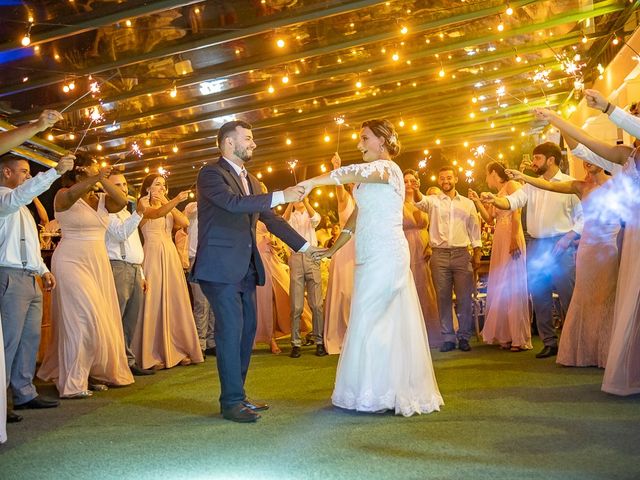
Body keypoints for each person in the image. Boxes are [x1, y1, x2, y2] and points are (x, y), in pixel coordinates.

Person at [299, 118, 443, 416]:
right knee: (377, 320)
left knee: (371, 318)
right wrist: (333, 250)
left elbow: (348, 172)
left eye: (364, 138)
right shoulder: (370, 178)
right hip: (369, 255)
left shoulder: (388, 169)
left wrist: (313, 182)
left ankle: (380, 393)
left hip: (387, 254)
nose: (359, 144)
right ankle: (379, 391)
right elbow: (356, 218)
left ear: (383, 140)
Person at [190, 120, 316, 423]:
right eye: (248, 138)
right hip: (219, 268)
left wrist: (306, 248)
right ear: (228, 143)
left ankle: (239, 396)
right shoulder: (210, 174)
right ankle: (231, 402)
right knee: (231, 331)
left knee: (246, 333)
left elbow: (270, 220)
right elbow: (233, 204)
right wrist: (283, 195)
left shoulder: (254, 181)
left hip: (246, 268)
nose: (254, 143)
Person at [535, 95, 639, 393]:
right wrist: (556, 119)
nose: (634, 119)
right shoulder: (626, 156)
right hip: (633, 235)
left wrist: (608, 108)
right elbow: (586, 145)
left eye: (636, 114)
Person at [506, 156, 618, 367]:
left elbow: (586, 217)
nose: (586, 162)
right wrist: (523, 177)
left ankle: (602, 345)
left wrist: (569, 237)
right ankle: (558, 343)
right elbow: (545, 186)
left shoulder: (613, 184)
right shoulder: (578, 185)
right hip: (561, 246)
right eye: (584, 159)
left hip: (596, 245)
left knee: (580, 294)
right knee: (547, 295)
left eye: (591, 157)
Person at [38, 155, 134, 398]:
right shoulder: (63, 194)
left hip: (97, 262)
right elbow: (70, 197)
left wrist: (103, 181)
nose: (98, 169)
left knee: (98, 320)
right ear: (80, 171)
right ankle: (72, 382)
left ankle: (89, 373)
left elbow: (122, 201)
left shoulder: (101, 199)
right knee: (82, 318)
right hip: (71, 260)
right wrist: (94, 178)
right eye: (93, 166)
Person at [480, 142, 583, 359]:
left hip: (561, 245)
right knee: (540, 296)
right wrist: (495, 200)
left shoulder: (570, 184)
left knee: (568, 295)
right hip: (536, 244)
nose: (533, 163)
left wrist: (569, 237)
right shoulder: (531, 185)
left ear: (550, 160)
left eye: (537, 159)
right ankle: (549, 342)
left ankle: (573, 341)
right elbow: (514, 200)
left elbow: (583, 216)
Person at [0, 109, 64, 434]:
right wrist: (53, 173)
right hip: (8, 276)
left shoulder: (21, 207)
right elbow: (19, 197)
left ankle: (24, 392)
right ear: (6, 172)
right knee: (7, 342)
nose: (27, 176)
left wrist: (42, 269)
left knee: (30, 338)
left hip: (29, 275)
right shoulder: (4, 199)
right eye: (23, 171)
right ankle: (3, 401)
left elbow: (28, 245)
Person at [134, 174, 203, 370]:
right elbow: (153, 215)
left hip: (170, 253)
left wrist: (167, 201)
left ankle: (177, 348)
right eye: (157, 184)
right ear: (147, 187)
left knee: (175, 300)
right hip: (153, 252)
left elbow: (184, 222)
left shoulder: (167, 204)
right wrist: (172, 201)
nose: (161, 188)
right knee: (154, 300)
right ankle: (152, 353)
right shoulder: (142, 202)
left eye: (164, 185)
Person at [410, 166, 482, 353]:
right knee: (443, 298)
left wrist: (477, 252)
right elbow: (420, 201)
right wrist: (417, 188)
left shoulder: (467, 203)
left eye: (449, 177)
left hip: (461, 253)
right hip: (439, 255)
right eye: (442, 178)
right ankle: (448, 337)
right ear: (439, 181)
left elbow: (475, 229)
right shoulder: (433, 201)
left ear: (455, 179)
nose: (445, 181)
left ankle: (464, 336)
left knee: (464, 298)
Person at [468, 162, 531, 352]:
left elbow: (516, 213)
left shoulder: (512, 186)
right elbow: (489, 218)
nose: (486, 179)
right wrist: (477, 201)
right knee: (501, 285)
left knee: (513, 285)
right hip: (499, 237)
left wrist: (514, 239)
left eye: (486, 175)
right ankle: (505, 335)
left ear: (493, 172)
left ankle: (518, 338)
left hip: (511, 234)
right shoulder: (499, 192)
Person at [104, 173, 154, 376]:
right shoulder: (107, 212)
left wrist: (141, 272)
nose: (123, 188)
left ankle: (128, 361)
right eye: (117, 185)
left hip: (133, 268)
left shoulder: (127, 213)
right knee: (117, 317)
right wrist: (139, 214)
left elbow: (134, 245)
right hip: (117, 267)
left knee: (131, 319)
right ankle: (115, 362)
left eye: (124, 184)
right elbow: (120, 234)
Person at [282, 198, 326, 358]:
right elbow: (283, 223)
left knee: (317, 304)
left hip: (312, 256)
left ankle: (319, 341)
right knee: (296, 305)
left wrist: (306, 201)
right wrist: (289, 203)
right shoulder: (290, 216)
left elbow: (316, 220)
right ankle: (295, 343)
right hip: (295, 257)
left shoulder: (310, 213)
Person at [402, 169, 441, 348]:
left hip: (426, 250)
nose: (409, 184)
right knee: (409, 288)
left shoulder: (425, 201)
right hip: (406, 250)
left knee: (427, 288)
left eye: (412, 180)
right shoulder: (397, 203)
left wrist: (431, 245)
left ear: (417, 182)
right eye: (406, 181)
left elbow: (436, 225)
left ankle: (431, 331)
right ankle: (410, 335)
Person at [322, 153, 356, 354]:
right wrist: (336, 166)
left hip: (362, 248)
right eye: (351, 182)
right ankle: (341, 333)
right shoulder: (344, 199)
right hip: (345, 248)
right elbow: (338, 186)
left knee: (358, 292)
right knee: (344, 293)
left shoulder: (364, 202)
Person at [184, 200, 216, 358]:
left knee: (214, 303)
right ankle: (199, 344)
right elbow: (187, 216)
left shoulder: (218, 205)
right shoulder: (193, 206)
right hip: (196, 258)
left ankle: (211, 342)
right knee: (201, 304)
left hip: (214, 258)